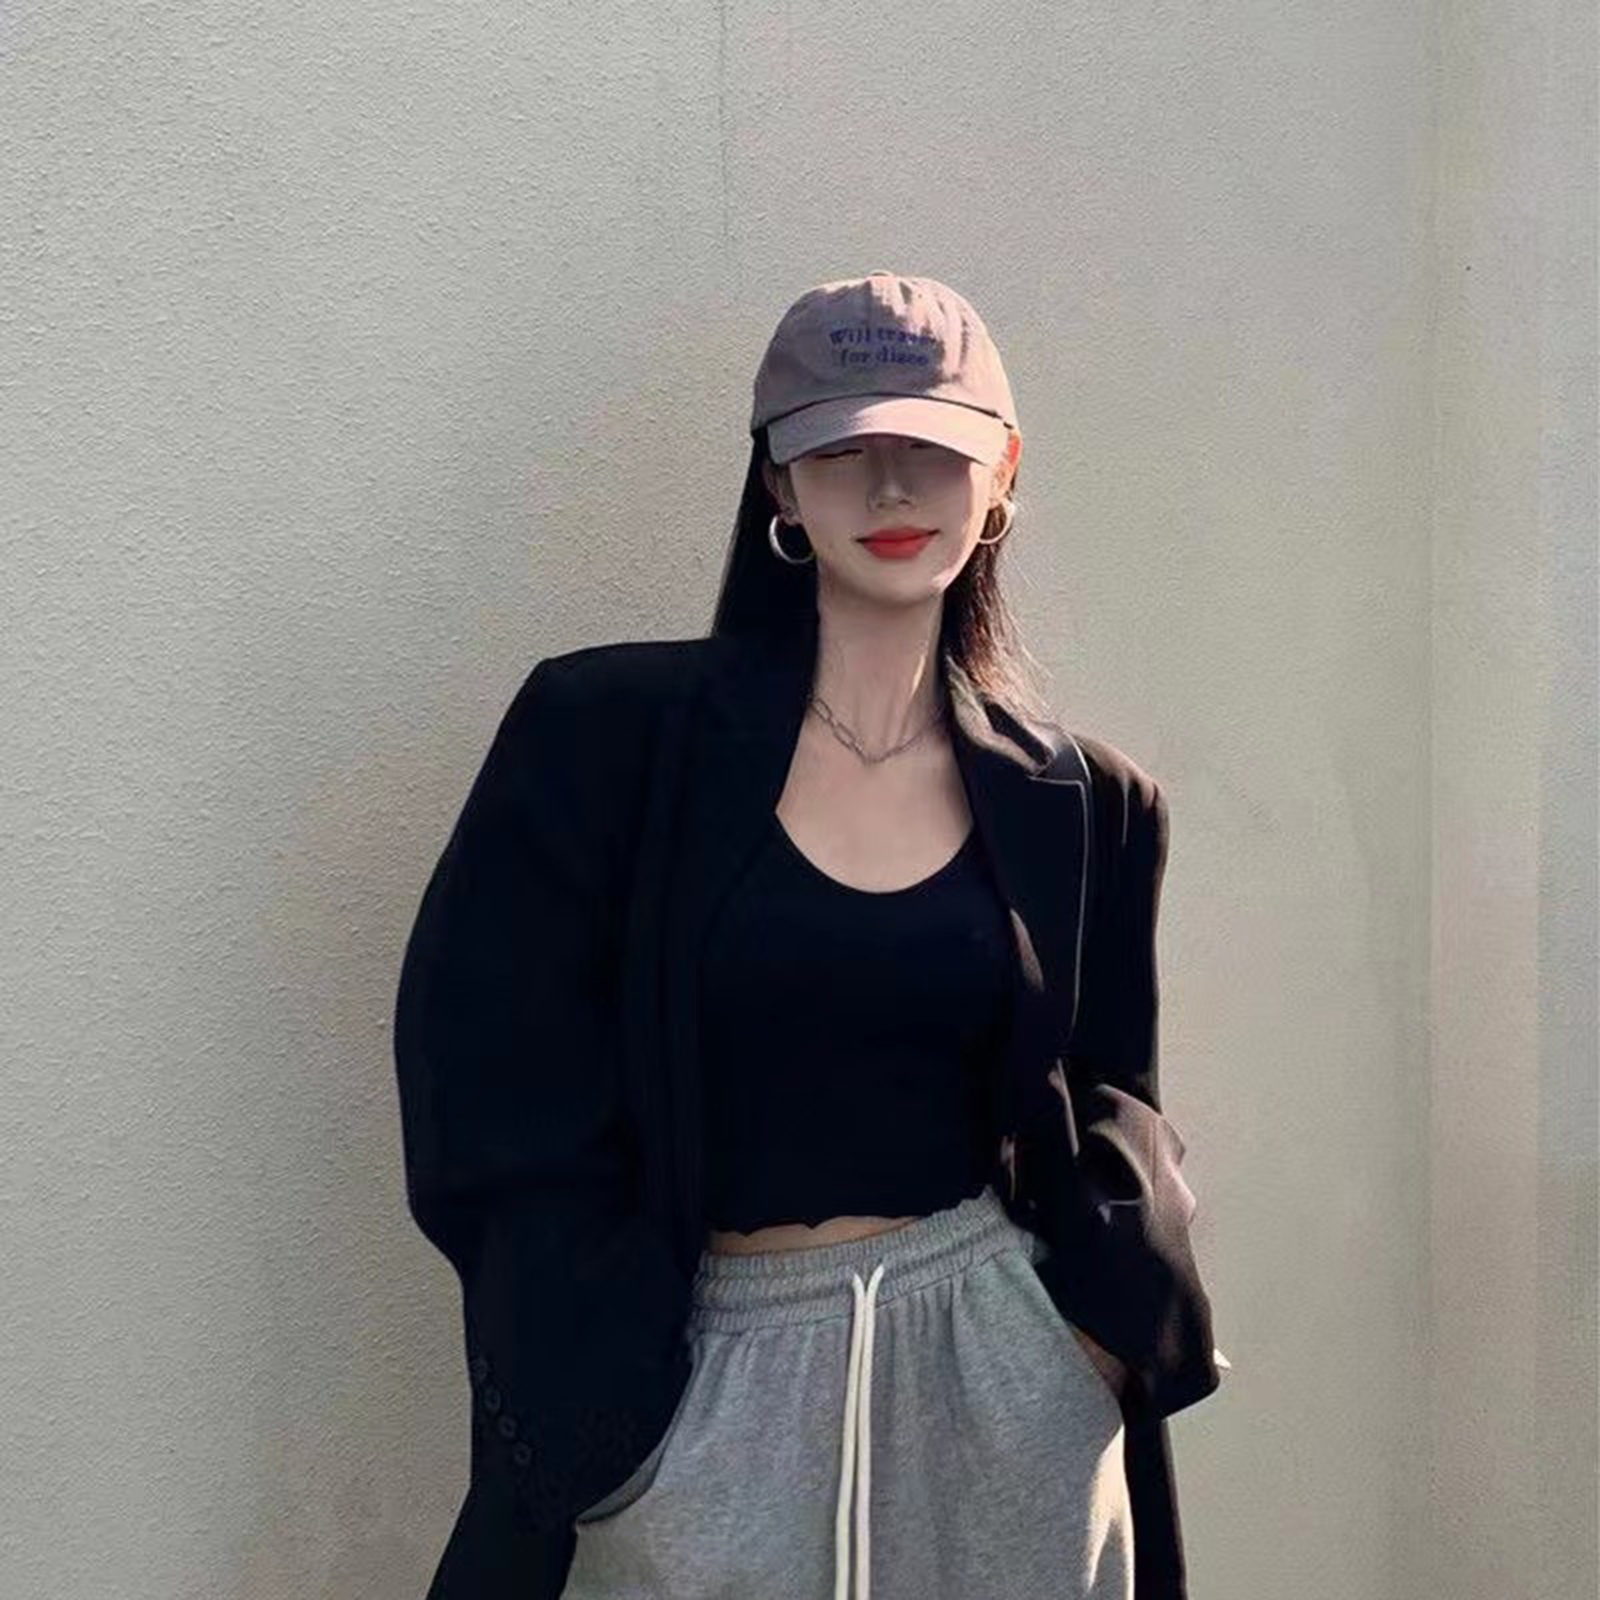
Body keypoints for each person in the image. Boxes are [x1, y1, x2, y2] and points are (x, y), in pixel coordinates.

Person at [393, 271, 1225, 1600]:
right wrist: (615, 1415)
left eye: (933, 449)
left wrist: (1088, 1350)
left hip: (1002, 1391)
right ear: (779, 483)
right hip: (699, 1389)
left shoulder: (1087, 802)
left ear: (1001, 474)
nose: (890, 488)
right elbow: (487, 1078)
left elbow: (1113, 1095)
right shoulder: (604, 743)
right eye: (840, 450)